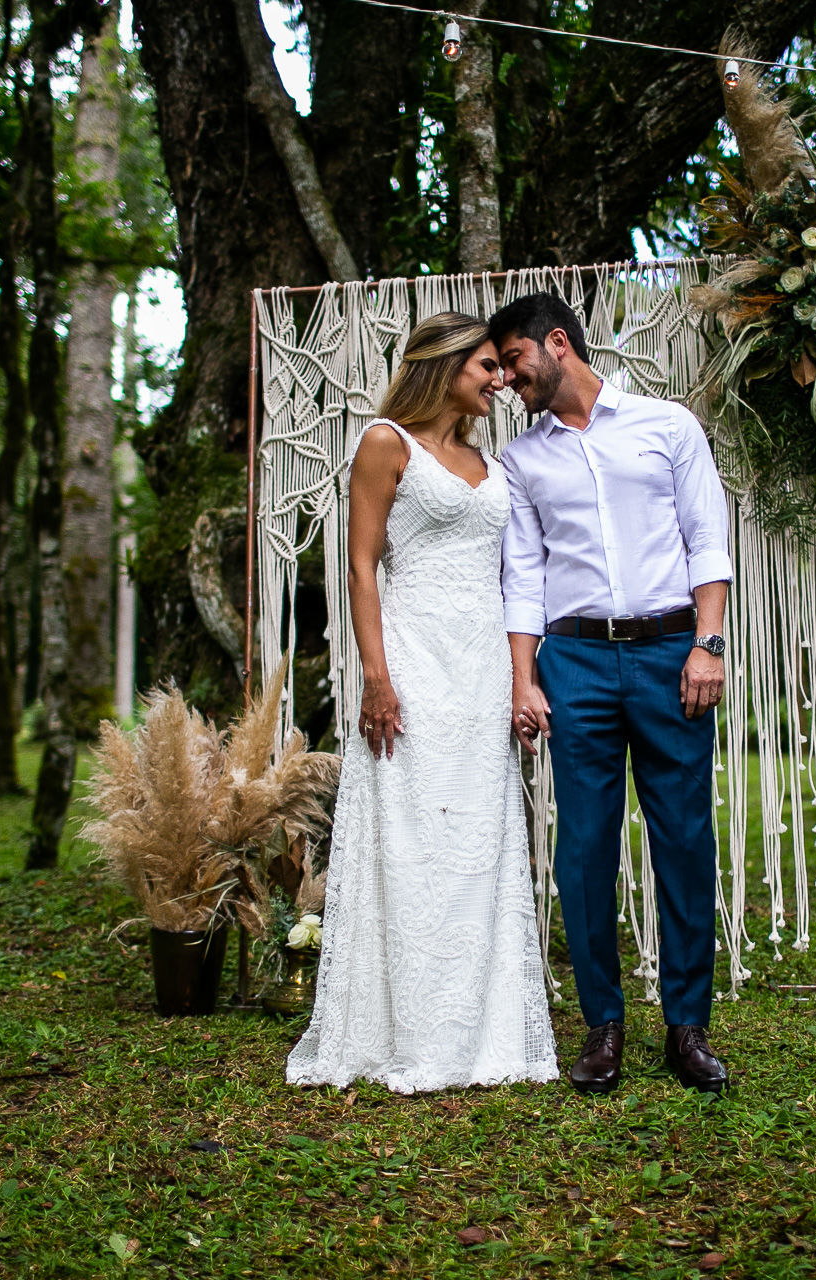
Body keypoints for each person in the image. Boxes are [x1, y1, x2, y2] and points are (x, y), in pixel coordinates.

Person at [287, 312, 559, 1093]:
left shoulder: (491, 463)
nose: (500, 379)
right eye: (485, 366)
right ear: (444, 367)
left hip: (480, 668)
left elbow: (516, 580)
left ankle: (484, 1029)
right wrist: (376, 675)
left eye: (501, 368)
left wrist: (518, 679)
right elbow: (363, 567)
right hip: (412, 660)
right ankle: (404, 1025)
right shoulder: (384, 444)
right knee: (411, 832)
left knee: (476, 838)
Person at [491, 292, 733, 1095]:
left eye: (513, 362)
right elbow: (524, 576)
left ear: (557, 343)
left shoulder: (667, 426)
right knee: (585, 849)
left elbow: (708, 536)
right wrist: (525, 678)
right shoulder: (523, 462)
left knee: (684, 840)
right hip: (577, 663)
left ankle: (687, 1026)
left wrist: (708, 645)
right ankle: (603, 1026)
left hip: (672, 655)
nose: (505, 381)